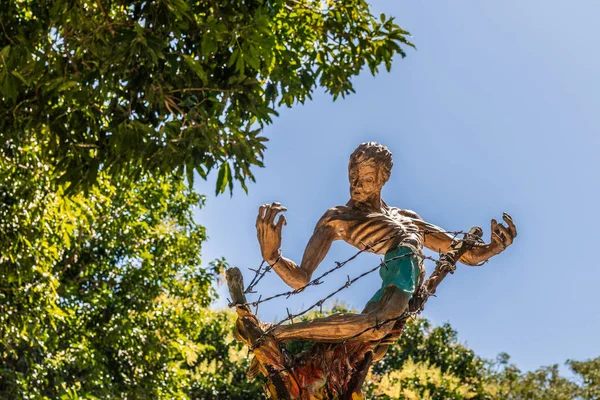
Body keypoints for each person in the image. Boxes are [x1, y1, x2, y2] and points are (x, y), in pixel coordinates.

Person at [256, 142, 516, 343]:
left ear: (383, 179)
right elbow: (301, 279)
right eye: (353, 177)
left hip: (406, 290)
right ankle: (278, 333)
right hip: (397, 280)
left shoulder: (407, 218)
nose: (357, 186)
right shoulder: (338, 218)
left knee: (367, 349)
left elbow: (465, 254)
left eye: (367, 180)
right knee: (375, 326)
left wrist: (494, 248)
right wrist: (273, 256)